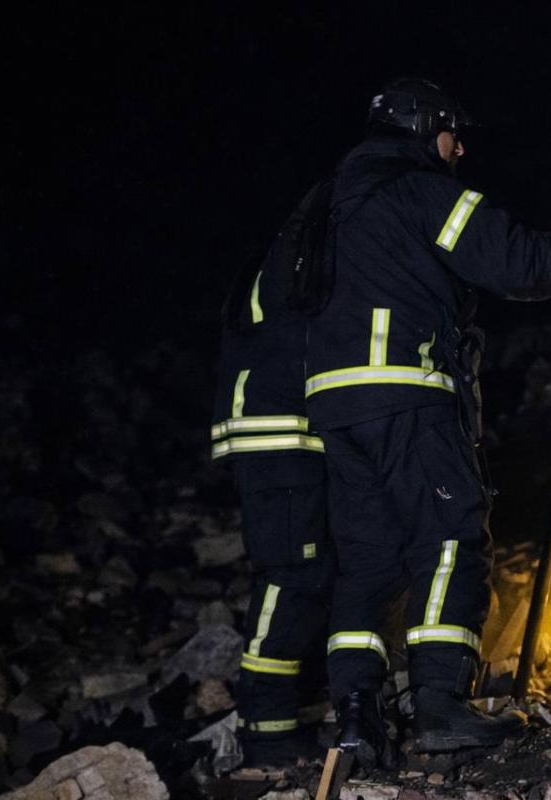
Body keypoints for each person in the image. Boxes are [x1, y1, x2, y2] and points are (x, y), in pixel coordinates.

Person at [303, 77, 551, 763]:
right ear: (421, 129)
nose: (460, 145)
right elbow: (517, 262)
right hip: (405, 390)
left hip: (335, 402)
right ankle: (441, 705)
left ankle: (359, 716)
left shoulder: (333, 206)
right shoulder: (419, 191)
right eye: (451, 130)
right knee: (447, 542)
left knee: (366, 561)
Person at [210, 185, 336, 766]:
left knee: (303, 573)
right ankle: (266, 727)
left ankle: (284, 714)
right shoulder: (311, 249)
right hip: (280, 433)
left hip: (277, 433)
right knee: (294, 576)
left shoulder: (287, 248)